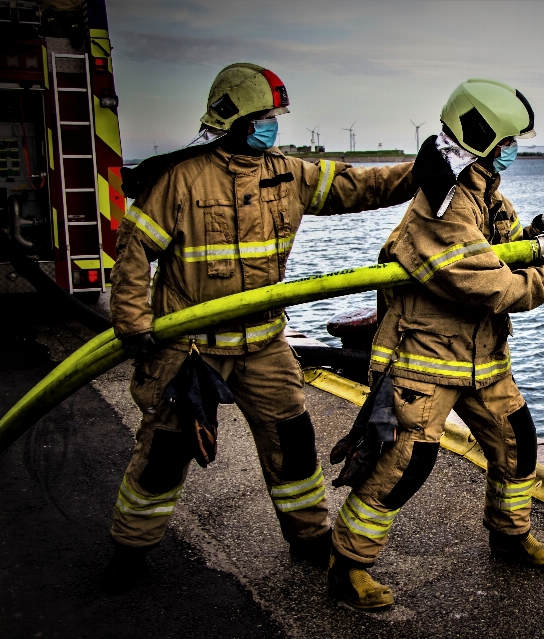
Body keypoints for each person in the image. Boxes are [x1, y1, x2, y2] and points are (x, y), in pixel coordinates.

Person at [104, 62, 417, 589]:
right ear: (235, 118)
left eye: (276, 116)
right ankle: (131, 547)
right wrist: (134, 323)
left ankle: (308, 536)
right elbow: (135, 251)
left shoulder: (287, 174)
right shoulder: (180, 178)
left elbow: (358, 186)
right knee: (165, 451)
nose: (274, 124)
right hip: (190, 347)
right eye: (265, 116)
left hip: (265, 343)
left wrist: (426, 171)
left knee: (293, 440)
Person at [327, 78, 544, 610]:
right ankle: (349, 565)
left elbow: (504, 247)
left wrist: (543, 233)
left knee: (516, 443)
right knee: (405, 463)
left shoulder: (480, 186)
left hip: (481, 357)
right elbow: (490, 285)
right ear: (486, 138)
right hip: (425, 359)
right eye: (510, 141)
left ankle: (509, 535)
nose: (515, 150)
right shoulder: (443, 206)